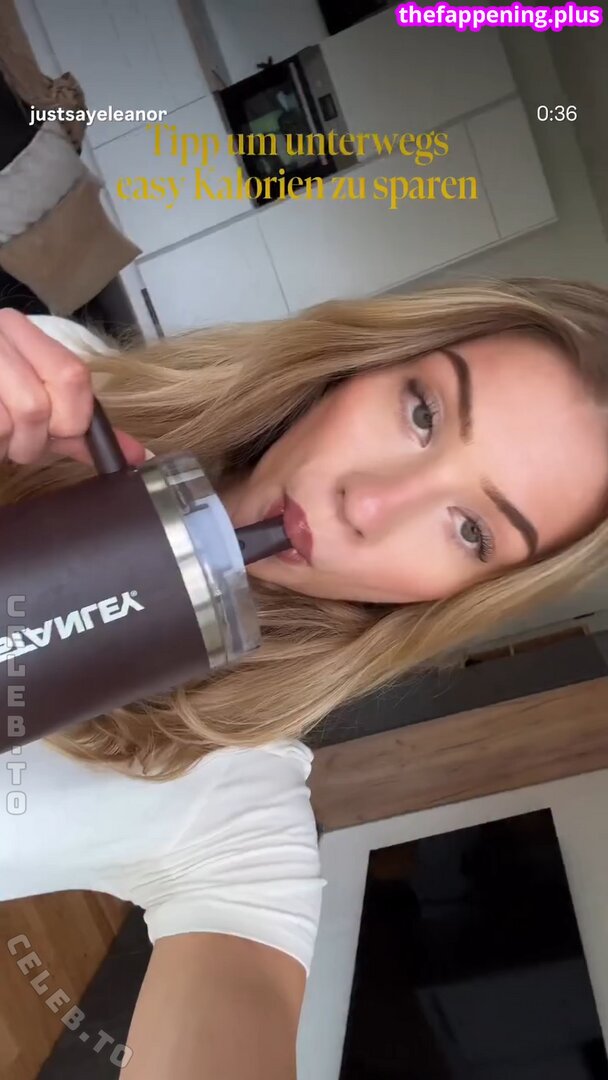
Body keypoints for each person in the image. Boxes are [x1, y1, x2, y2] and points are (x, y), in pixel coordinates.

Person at [1, 275, 608, 1078]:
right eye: (422, 413)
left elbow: (233, 1014)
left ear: (462, 595)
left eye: (471, 530)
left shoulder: (235, 808)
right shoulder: (49, 386)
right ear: (359, 365)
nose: (371, 505)